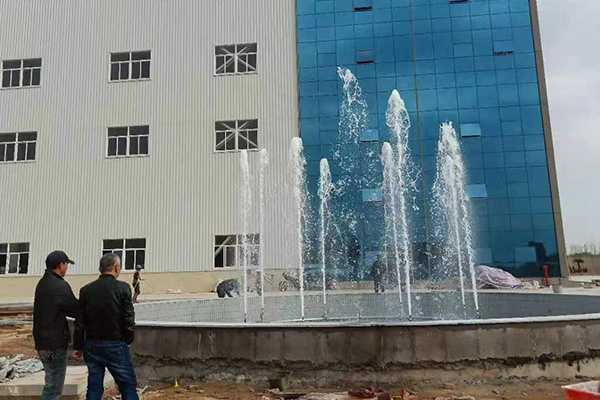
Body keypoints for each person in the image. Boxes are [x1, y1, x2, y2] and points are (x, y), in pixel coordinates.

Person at [73, 253, 138, 400]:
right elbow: (128, 318)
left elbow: (80, 322)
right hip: (116, 344)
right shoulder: (123, 288)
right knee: (127, 385)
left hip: (92, 345)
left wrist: (78, 346)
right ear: (117, 267)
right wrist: (128, 340)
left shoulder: (86, 290)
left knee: (94, 386)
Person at [33, 250, 78, 400]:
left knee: (50, 380)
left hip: (42, 342)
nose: (67, 268)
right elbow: (75, 309)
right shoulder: (59, 286)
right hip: (54, 343)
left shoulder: (42, 283)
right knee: (54, 385)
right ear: (61, 265)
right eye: (66, 264)